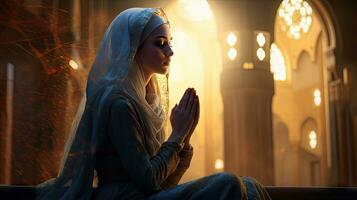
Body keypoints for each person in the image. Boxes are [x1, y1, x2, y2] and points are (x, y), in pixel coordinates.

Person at [36, 7, 271, 200]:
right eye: (160, 43)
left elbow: (163, 183)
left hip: (144, 196)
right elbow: (148, 181)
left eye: (169, 42)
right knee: (228, 183)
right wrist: (177, 134)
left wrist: (184, 137)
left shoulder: (147, 101)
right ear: (133, 49)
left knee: (249, 186)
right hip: (123, 198)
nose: (170, 51)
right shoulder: (118, 103)